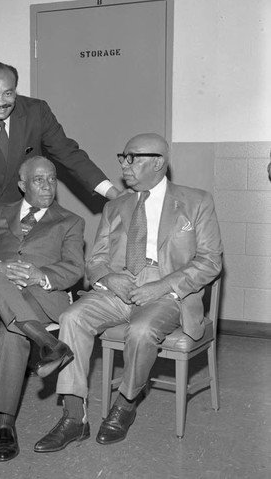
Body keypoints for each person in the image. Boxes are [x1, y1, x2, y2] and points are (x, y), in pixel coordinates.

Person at [34, 133, 223, 452]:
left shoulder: (196, 201)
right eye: (123, 157)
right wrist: (108, 277)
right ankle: (73, 418)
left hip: (168, 289)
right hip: (120, 285)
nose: (124, 165)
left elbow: (210, 261)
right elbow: (95, 259)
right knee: (72, 317)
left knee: (142, 329)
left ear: (158, 162)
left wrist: (160, 286)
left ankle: (125, 404)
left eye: (132, 157)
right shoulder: (116, 206)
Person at [0, 156, 85, 462]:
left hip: (39, 297)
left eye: (52, 179)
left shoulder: (70, 221)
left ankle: (4, 426)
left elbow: (73, 269)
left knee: (11, 333)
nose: (48, 185)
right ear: (22, 184)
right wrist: (0, 267)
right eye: (38, 180)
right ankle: (50, 344)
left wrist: (39, 276)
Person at [0, 61, 119, 239]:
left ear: (15, 92)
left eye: (8, 93)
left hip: (33, 217)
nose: (0, 102)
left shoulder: (36, 112)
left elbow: (68, 153)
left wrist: (113, 194)